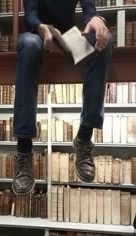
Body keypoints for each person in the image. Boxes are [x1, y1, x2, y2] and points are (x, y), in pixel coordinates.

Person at [12, 0, 112, 195]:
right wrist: (43, 29)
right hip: (37, 33)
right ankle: (24, 150)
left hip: (68, 36)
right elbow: (30, 15)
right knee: (28, 44)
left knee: (104, 41)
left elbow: (88, 8)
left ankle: (84, 138)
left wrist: (95, 19)